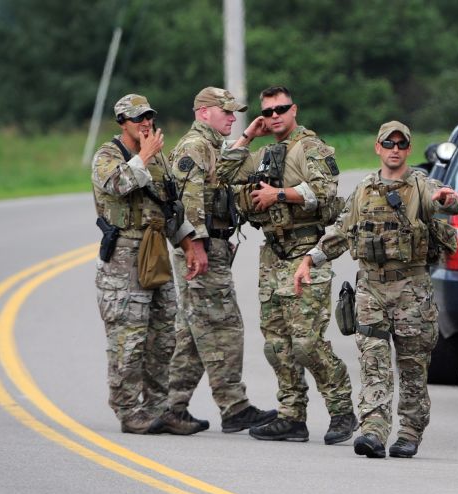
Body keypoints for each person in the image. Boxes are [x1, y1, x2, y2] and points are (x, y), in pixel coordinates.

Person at [293, 121, 458, 458]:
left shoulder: (422, 187)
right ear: (378, 147)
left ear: (408, 149)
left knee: (413, 367)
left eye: (401, 144)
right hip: (371, 289)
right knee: (374, 362)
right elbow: (340, 233)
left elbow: (443, 203)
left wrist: (448, 199)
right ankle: (373, 429)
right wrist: (310, 260)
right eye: (389, 143)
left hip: (412, 291)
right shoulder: (364, 191)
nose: (395, 149)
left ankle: (410, 431)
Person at [218, 86, 356, 444]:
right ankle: (292, 416)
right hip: (273, 253)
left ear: (293, 109)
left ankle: (342, 411)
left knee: (307, 343)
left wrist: (278, 194)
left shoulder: (310, 147)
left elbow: (324, 191)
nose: (275, 115)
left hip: (306, 251)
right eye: (268, 111)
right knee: (276, 343)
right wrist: (248, 134)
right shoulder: (264, 152)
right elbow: (222, 172)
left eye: (281, 109)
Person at [91, 93, 206, 434]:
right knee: (129, 338)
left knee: (163, 337)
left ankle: (158, 408)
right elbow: (117, 184)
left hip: (156, 252)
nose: (146, 123)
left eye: (149, 116)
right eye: (137, 118)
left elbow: (170, 209)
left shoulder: (157, 159)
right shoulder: (108, 155)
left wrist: (189, 244)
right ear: (122, 123)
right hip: (124, 258)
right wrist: (142, 156)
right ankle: (128, 411)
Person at [166, 87, 278, 434]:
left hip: (208, 245)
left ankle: (171, 406)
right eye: (226, 112)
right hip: (200, 248)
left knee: (194, 332)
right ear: (203, 113)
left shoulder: (209, 146)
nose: (233, 117)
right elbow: (188, 201)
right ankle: (235, 407)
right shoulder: (194, 147)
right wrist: (195, 247)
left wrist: (247, 137)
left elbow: (224, 171)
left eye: (234, 112)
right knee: (223, 327)